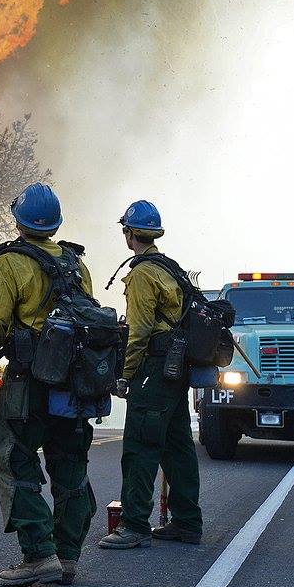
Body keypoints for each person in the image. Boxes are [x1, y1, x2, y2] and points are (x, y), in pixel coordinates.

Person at [0, 183, 98, 587]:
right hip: (73, 388)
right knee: (70, 466)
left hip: (28, 385)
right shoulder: (77, 264)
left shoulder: (11, 264)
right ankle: (67, 557)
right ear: (56, 222)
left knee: (16, 462)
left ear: (19, 220)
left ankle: (40, 555)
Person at [98, 200, 203, 549]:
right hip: (175, 371)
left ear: (130, 234)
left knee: (141, 446)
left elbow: (140, 330)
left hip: (154, 371)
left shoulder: (143, 273)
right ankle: (187, 522)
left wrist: (124, 375)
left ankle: (134, 525)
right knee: (177, 448)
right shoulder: (169, 267)